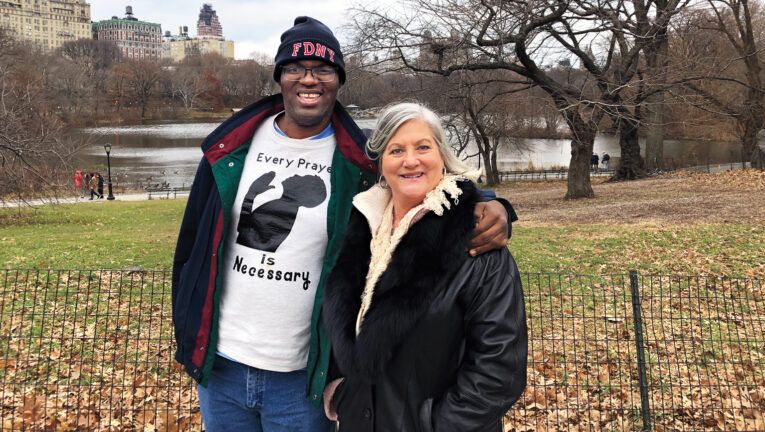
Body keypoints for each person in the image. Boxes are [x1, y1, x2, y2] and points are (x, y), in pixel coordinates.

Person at [172, 16, 516, 432]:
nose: (309, 79)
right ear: (279, 76)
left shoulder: (358, 157)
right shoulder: (231, 146)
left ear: (338, 79)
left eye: (323, 69)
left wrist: (489, 203)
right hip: (221, 367)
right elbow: (191, 245)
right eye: (296, 67)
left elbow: (419, 174)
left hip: (302, 375)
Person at [322, 103, 527, 431]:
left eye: (422, 147)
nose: (410, 160)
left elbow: (499, 372)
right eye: (396, 149)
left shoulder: (477, 239)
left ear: (442, 156)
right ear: (382, 163)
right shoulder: (360, 232)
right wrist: (340, 392)